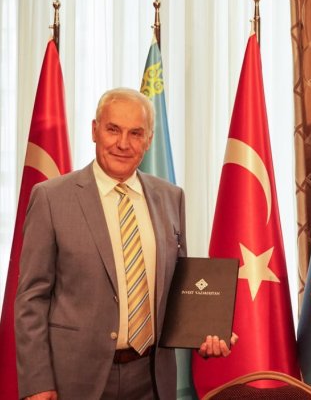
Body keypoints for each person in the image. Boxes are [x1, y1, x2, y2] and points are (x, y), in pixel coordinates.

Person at [15, 88, 235, 400]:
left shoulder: (171, 197)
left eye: (135, 133)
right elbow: (31, 299)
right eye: (113, 129)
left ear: (149, 140)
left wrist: (205, 329)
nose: (122, 143)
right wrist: (37, 382)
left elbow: (178, 289)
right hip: (75, 379)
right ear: (94, 130)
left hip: (152, 378)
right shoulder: (51, 198)